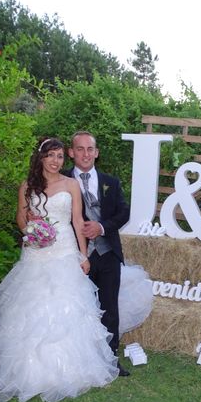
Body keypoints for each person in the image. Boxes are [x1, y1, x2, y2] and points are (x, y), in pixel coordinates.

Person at [0, 137, 119, 402]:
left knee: (66, 306)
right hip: (36, 253)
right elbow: (20, 218)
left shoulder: (71, 185)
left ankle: (68, 370)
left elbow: (78, 221)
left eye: (59, 157)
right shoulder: (27, 186)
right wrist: (30, 230)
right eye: (51, 156)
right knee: (32, 308)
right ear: (41, 158)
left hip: (66, 250)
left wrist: (83, 254)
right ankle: (30, 372)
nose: (56, 161)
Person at [65, 131, 132, 376]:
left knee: (109, 309)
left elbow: (124, 212)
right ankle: (77, 361)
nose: (85, 154)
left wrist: (101, 227)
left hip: (107, 254)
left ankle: (110, 359)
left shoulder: (110, 182)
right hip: (74, 256)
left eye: (90, 149)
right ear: (71, 153)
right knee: (77, 309)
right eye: (80, 149)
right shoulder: (60, 180)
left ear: (97, 152)